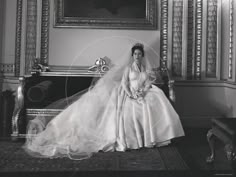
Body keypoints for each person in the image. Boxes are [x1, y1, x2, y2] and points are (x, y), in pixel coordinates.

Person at [24, 43, 185, 160]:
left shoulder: (146, 69)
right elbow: (124, 83)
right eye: (135, 54)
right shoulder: (128, 69)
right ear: (132, 56)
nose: (137, 56)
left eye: (139, 54)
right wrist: (131, 94)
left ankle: (155, 137)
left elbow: (148, 82)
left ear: (142, 56)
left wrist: (142, 91)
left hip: (142, 92)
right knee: (123, 109)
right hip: (129, 92)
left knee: (156, 101)